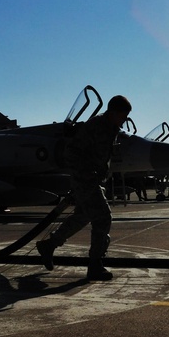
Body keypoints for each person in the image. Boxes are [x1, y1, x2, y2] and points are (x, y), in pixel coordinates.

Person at [36, 95, 132, 281]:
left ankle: (49, 245)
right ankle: (95, 265)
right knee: (103, 217)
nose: (124, 119)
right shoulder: (95, 126)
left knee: (83, 216)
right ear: (113, 112)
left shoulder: (111, 129)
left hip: (91, 180)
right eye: (123, 115)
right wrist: (85, 173)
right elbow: (71, 152)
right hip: (85, 179)